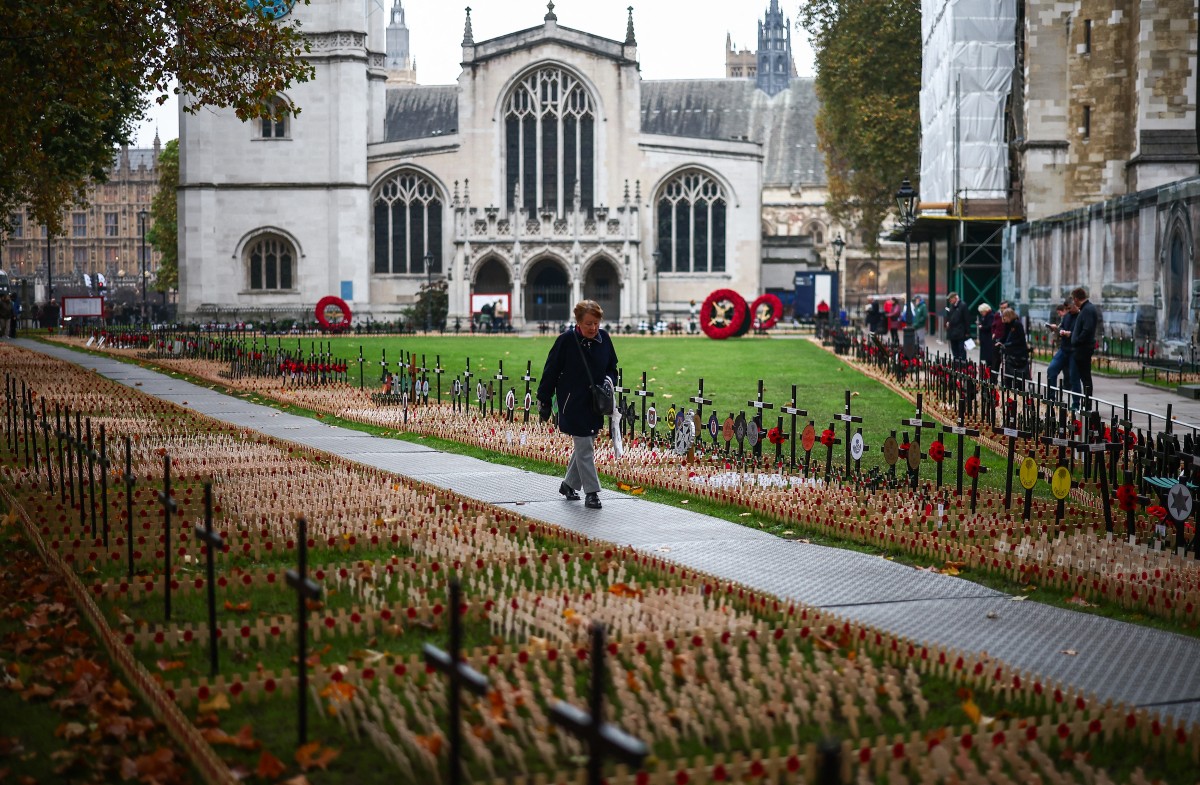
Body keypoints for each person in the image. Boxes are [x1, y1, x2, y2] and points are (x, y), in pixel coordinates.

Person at [537, 299, 619, 510]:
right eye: (589, 323)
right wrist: (544, 399)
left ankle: (568, 485)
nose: (593, 328)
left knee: (586, 444)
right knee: (585, 448)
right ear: (578, 322)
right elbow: (551, 371)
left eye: (596, 323)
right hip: (572, 403)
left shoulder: (605, 339)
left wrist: (609, 382)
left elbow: (612, 368)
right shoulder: (566, 340)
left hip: (595, 403)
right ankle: (592, 493)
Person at [1071, 286, 1098, 406]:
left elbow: (1087, 330)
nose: (1073, 302)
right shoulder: (1085, 308)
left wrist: (1077, 340)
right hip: (1081, 348)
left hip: (1083, 349)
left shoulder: (1087, 309)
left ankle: (1087, 404)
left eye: (1073, 299)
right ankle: (1084, 402)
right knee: (1082, 377)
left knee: (1086, 378)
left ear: (1076, 299)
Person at [1045, 301, 1075, 402]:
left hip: (1074, 350)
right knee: (1052, 370)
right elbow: (1062, 328)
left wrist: (1070, 334)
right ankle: (1051, 397)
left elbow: (1081, 333)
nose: (1068, 310)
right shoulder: (1066, 317)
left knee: (1073, 376)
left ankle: (1076, 402)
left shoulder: (1080, 316)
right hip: (1064, 348)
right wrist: (1059, 330)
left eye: (1069, 308)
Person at [997, 307, 1029, 389]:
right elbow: (1005, 336)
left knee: (1018, 378)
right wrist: (1000, 342)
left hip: (1018, 354)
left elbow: (1020, 339)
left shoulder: (1017, 324)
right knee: (1008, 376)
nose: (1003, 318)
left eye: (1005, 316)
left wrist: (1008, 344)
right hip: (1010, 353)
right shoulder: (1008, 325)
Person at [944, 292, 969, 362]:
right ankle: (956, 364)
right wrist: (948, 323)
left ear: (955, 298)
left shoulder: (963, 305)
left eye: (950, 299)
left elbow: (966, 319)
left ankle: (963, 365)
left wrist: (967, 331)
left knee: (961, 349)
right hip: (952, 332)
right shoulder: (951, 306)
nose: (950, 301)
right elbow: (950, 317)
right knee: (954, 350)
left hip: (960, 332)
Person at [989, 299, 1009, 377]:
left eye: (1005, 307)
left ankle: (1007, 381)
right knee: (996, 361)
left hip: (1006, 340)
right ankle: (994, 380)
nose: (1003, 309)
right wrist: (993, 333)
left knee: (1007, 362)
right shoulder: (997, 315)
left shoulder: (1011, 316)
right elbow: (993, 326)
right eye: (1002, 308)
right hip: (997, 339)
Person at [976, 303, 994, 368]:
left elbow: (989, 326)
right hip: (984, 339)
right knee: (986, 357)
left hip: (988, 339)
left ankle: (989, 368)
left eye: (982, 312)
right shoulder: (984, 316)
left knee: (989, 357)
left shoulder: (990, 316)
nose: (981, 313)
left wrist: (982, 327)